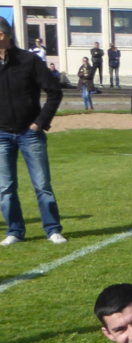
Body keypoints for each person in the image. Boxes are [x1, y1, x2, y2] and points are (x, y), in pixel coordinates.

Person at [0, 17, 66, 247]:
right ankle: (15, 230)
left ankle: (52, 229)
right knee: (6, 187)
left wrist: (40, 123)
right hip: (1, 135)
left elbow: (54, 92)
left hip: (30, 132)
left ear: (3, 35)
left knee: (42, 184)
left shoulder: (29, 60)